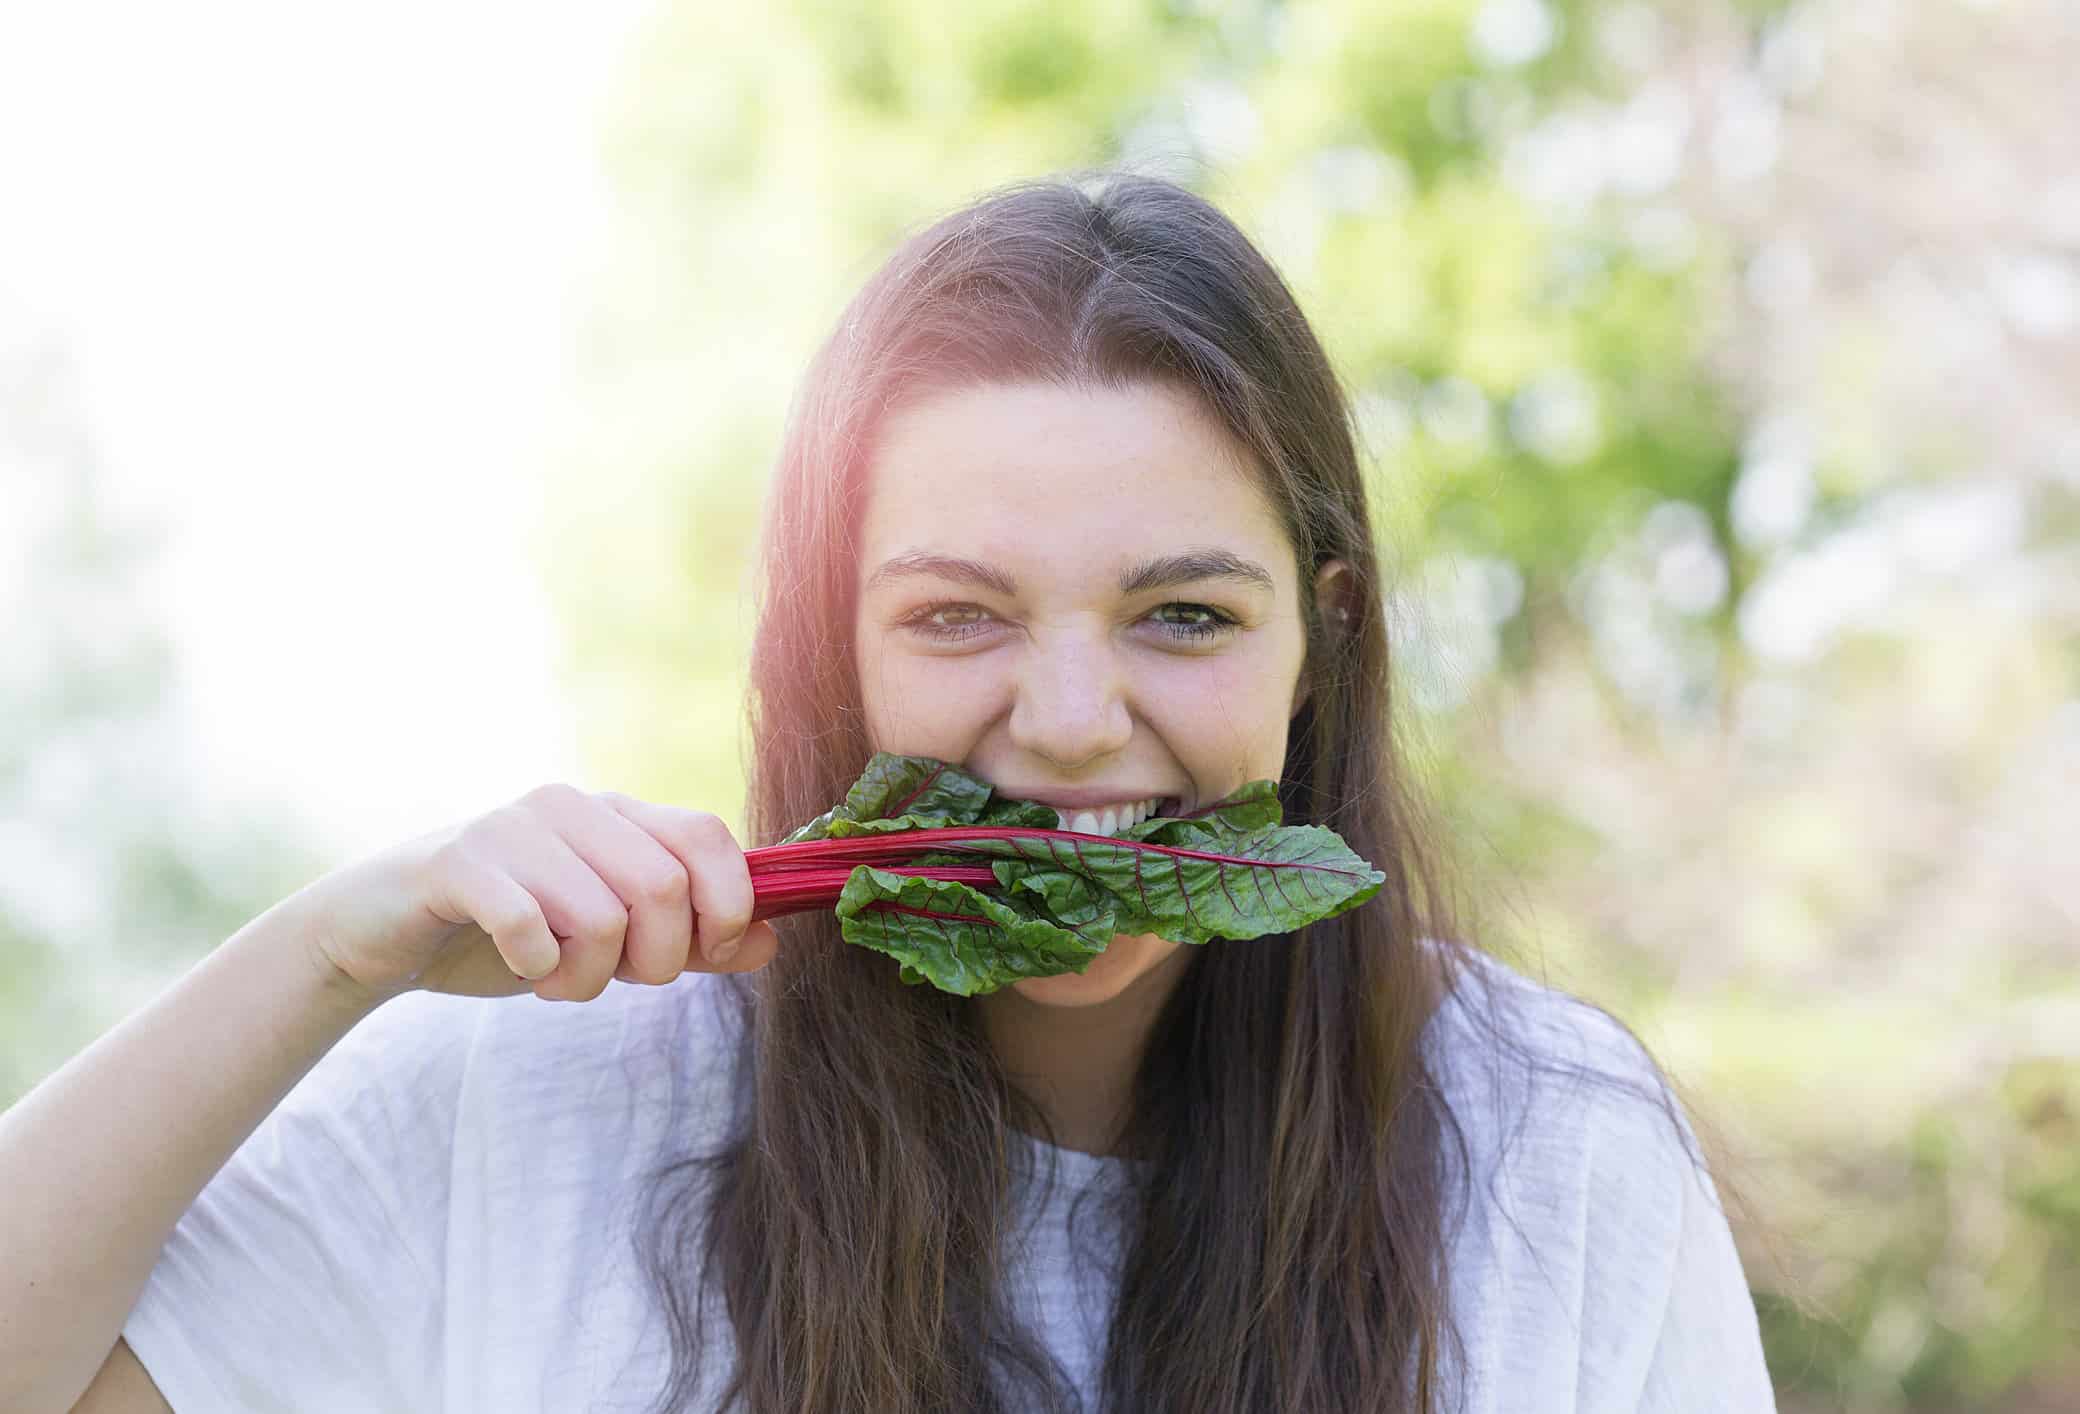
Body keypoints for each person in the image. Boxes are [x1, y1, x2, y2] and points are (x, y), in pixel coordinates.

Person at [1, 171, 1778, 1413]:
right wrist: (332, 950)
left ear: (1323, 634)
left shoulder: (1552, 1145)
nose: (1072, 721)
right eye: (954, 614)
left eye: (1180, 613)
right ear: (823, 650)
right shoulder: (530, 1092)